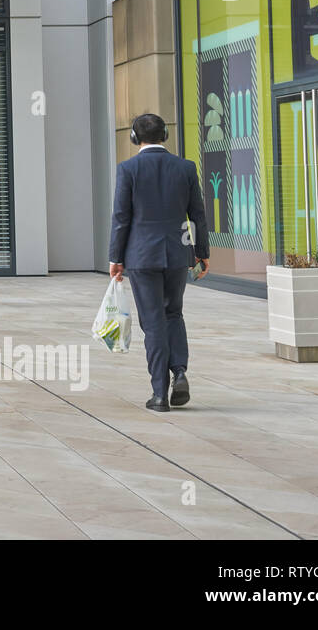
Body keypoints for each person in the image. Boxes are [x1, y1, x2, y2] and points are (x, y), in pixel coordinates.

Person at [108, 112, 211, 413]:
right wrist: (201, 253)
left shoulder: (128, 169)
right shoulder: (186, 167)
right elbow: (198, 215)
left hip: (141, 256)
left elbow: (121, 218)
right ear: (166, 135)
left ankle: (159, 394)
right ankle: (179, 371)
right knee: (173, 313)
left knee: (153, 322)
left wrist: (116, 257)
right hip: (178, 254)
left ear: (134, 138)